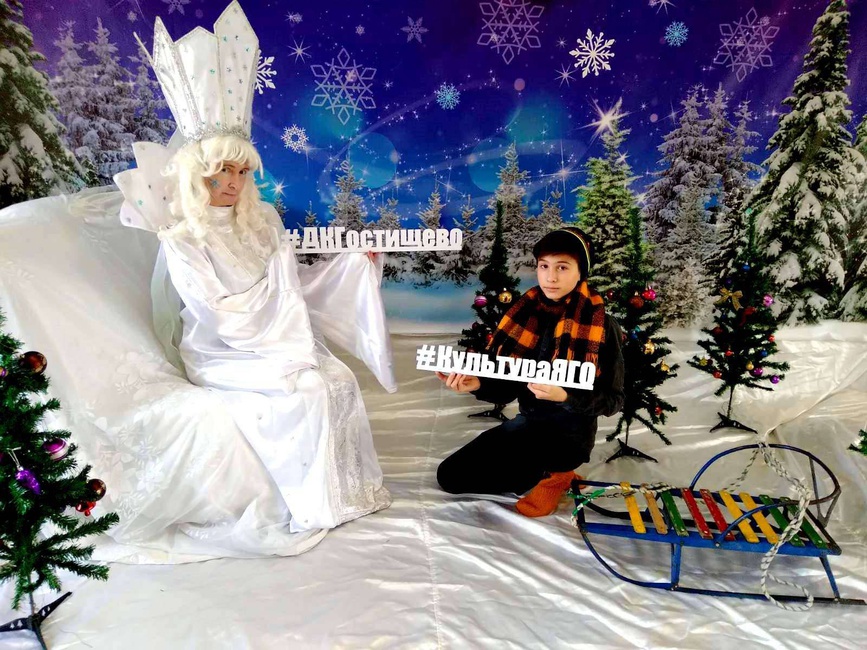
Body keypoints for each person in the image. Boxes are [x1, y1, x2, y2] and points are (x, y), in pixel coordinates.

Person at [114, 3, 392, 543]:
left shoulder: (261, 222)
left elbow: (295, 286)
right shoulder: (183, 236)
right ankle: (312, 505)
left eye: (242, 171)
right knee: (306, 390)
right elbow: (217, 313)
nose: (234, 183)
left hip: (276, 339)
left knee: (336, 378)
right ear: (197, 174)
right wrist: (281, 311)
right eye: (222, 172)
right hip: (226, 349)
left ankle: (344, 493)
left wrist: (350, 266)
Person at [436, 228, 625, 517]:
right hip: (528, 425)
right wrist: (477, 385)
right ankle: (541, 473)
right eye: (544, 266)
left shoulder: (601, 325)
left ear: (581, 273)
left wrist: (565, 396)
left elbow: (613, 400)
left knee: (523, 472)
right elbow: (508, 387)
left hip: (568, 439)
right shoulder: (524, 315)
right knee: (450, 477)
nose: (551, 277)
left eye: (562, 267)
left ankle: (559, 474)